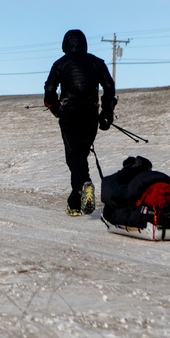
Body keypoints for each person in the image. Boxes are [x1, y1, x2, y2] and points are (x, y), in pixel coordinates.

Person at [44, 29, 116, 216]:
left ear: (65, 45)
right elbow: (109, 86)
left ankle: (84, 185)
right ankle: (74, 204)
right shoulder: (96, 62)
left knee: (74, 157)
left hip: (69, 113)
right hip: (90, 113)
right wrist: (106, 112)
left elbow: (50, 88)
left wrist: (55, 109)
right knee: (80, 155)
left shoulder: (60, 63)